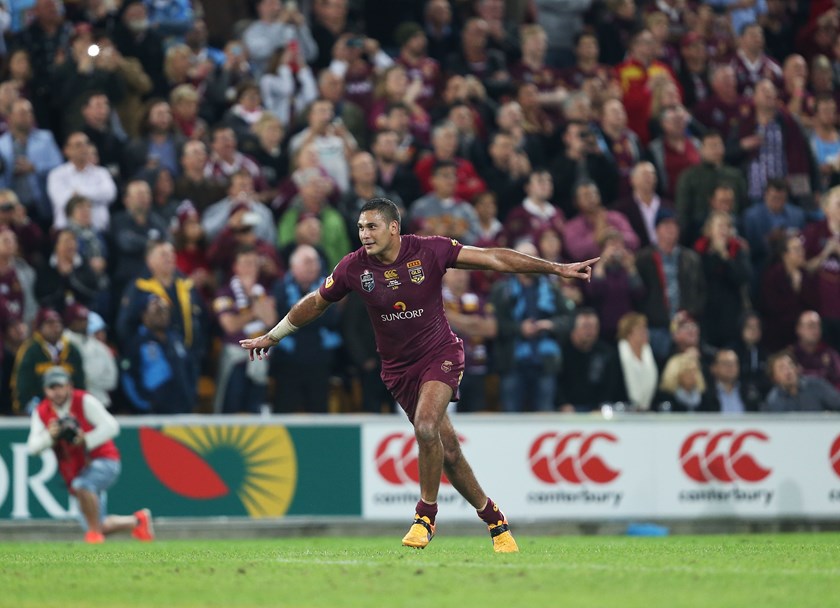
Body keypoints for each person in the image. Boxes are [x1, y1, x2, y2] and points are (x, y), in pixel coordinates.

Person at [240, 197, 598, 553]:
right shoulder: (354, 267)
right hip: (398, 370)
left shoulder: (429, 251)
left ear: (393, 228)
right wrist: (274, 334)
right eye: (361, 227)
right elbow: (316, 302)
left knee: (425, 427)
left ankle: (425, 516)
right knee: (451, 453)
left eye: (372, 226)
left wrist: (556, 268)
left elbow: (493, 257)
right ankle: (495, 520)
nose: (364, 234)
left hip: (441, 354)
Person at [26, 366, 154, 543]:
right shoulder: (41, 412)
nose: (57, 392)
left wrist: (85, 439)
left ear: (69, 386)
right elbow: (32, 448)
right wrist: (50, 435)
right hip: (77, 468)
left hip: (104, 460)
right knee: (96, 523)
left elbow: (112, 426)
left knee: (83, 485)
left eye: (60, 386)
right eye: (52, 388)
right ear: (45, 390)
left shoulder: (84, 400)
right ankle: (138, 521)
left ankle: (94, 536)